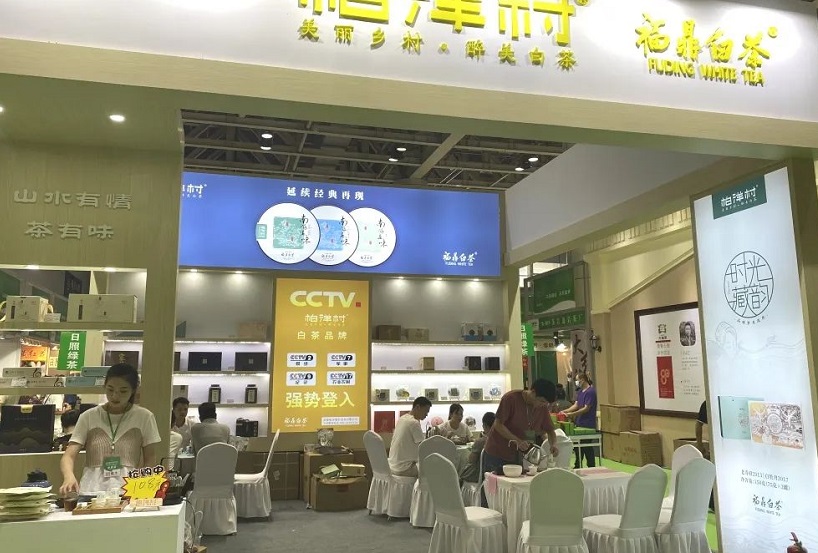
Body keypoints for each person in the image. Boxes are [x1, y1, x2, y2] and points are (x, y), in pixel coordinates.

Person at [59, 364, 161, 495]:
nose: (115, 396)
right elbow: (69, 456)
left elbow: (150, 458)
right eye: (110, 389)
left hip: (128, 491)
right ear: (104, 386)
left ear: (133, 390)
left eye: (123, 391)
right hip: (91, 491)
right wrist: (69, 477)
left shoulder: (144, 417)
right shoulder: (88, 416)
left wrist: (144, 486)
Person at [482, 379, 559, 507]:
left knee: (513, 491)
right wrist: (517, 441)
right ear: (533, 392)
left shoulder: (542, 408)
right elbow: (498, 424)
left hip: (517, 455)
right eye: (541, 401)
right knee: (492, 492)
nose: (542, 405)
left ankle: (510, 518)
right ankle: (487, 517)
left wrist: (554, 444)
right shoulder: (510, 399)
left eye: (545, 403)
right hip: (496, 452)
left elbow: (550, 430)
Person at [560, 372, 598, 468]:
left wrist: (571, 414)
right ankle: (578, 464)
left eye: (577, 380)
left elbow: (586, 408)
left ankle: (591, 466)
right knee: (578, 446)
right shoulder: (580, 392)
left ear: (583, 380)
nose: (576, 382)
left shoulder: (591, 392)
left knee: (586, 446)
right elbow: (576, 405)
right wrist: (564, 411)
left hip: (588, 424)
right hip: (579, 423)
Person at [388, 396, 432, 477]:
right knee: (435, 469)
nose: (426, 415)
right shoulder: (414, 423)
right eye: (425, 411)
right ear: (418, 407)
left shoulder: (402, 418)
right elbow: (423, 448)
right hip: (405, 468)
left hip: (392, 466)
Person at [460, 411, 495, 483]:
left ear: (484, 426)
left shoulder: (480, 442)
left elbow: (471, 460)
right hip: (494, 475)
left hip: (479, 475)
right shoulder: (501, 442)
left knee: (460, 476)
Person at [695, 400, 715, 511]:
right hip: (714, 446)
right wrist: (700, 445)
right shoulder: (707, 403)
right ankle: (712, 503)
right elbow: (699, 424)